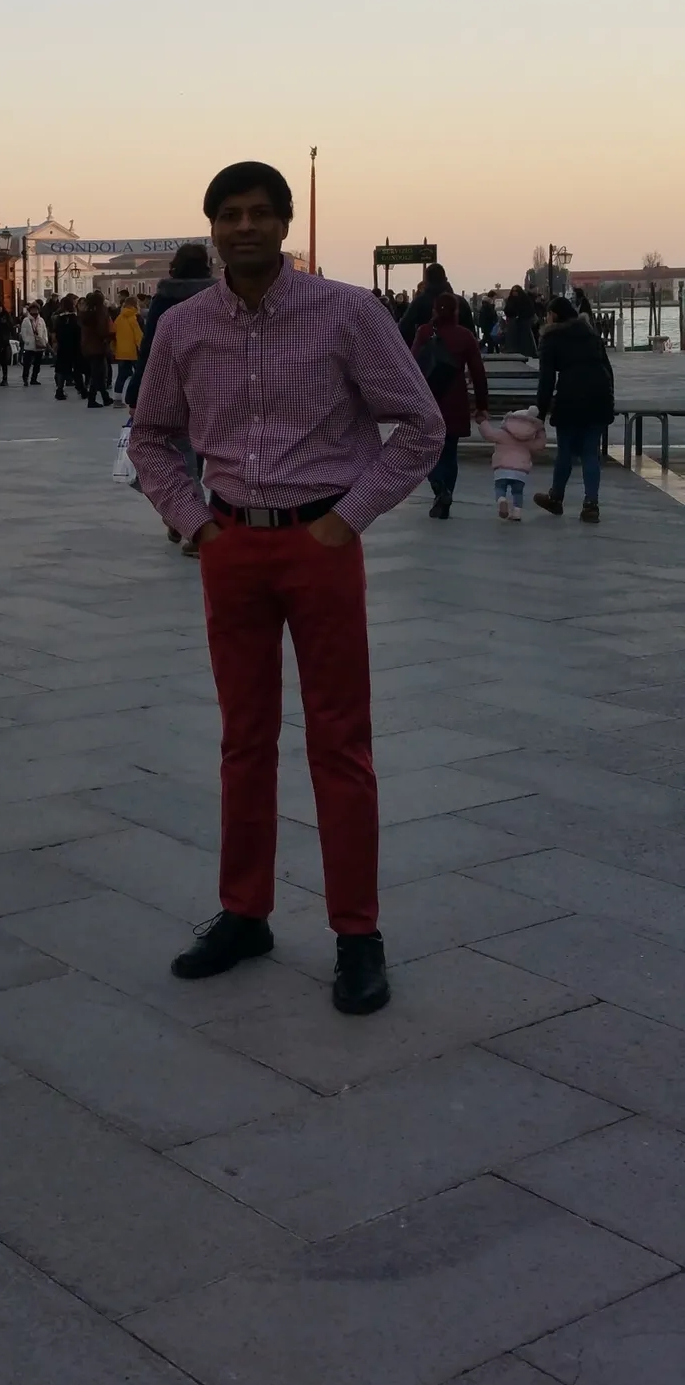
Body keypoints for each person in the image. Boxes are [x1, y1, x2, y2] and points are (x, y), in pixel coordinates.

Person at [128, 158, 444, 1016]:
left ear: (285, 223)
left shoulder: (347, 312)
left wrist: (349, 518)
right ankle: (244, 913)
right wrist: (194, 523)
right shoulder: (185, 327)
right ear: (211, 227)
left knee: (340, 741)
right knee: (244, 738)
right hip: (231, 543)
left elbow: (422, 426)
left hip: (320, 542)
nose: (245, 226)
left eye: (260, 212)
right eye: (230, 213)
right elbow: (149, 435)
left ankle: (357, 933)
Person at [533, 296, 615, 522]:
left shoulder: (551, 338)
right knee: (590, 452)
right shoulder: (590, 333)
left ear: (554, 315)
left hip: (570, 397)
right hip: (599, 395)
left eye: (548, 314)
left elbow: (546, 379)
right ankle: (591, 504)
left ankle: (556, 497)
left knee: (565, 450)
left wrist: (540, 412)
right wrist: (609, 398)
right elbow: (607, 369)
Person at [410, 289, 490, 518]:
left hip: (429, 401)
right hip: (455, 400)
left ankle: (439, 487)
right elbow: (478, 373)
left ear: (434, 310)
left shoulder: (425, 332)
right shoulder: (465, 336)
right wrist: (482, 405)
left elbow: (412, 365)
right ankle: (446, 499)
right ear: (456, 311)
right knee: (450, 452)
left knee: (428, 451)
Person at [125, 244, 216, 410]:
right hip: (213, 381)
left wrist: (135, 394)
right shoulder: (219, 298)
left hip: (169, 382)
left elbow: (150, 347)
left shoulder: (164, 299)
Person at [477, 406, 548, 521]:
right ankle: (517, 512)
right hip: (520, 470)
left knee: (500, 488)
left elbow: (489, 434)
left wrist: (483, 422)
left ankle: (501, 500)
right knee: (518, 492)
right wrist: (540, 431)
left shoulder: (502, 434)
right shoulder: (528, 439)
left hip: (502, 468)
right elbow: (540, 445)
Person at [397, 264, 475, 343]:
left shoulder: (419, 302)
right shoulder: (461, 302)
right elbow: (472, 333)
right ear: (445, 279)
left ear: (426, 281)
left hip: (427, 347)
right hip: (458, 347)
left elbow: (403, 329)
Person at [79, 290, 115, 407]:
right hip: (98, 346)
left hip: (87, 346)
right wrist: (110, 336)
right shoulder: (100, 312)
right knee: (98, 373)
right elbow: (102, 330)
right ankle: (92, 399)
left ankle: (105, 397)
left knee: (98, 373)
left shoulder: (85, 313)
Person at [111, 293, 143, 396]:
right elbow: (138, 334)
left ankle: (118, 396)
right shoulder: (136, 318)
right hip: (134, 351)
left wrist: (114, 347)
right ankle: (136, 395)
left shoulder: (119, 318)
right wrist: (142, 347)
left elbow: (113, 333)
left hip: (121, 351)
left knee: (122, 375)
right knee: (139, 374)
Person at [51, 294, 83, 401]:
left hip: (62, 346)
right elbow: (79, 333)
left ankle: (59, 390)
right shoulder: (75, 318)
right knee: (77, 368)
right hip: (75, 346)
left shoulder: (58, 319)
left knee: (61, 369)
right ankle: (81, 389)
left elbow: (55, 333)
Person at [499, 285, 538, 358]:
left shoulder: (525, 301)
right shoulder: (510, 300)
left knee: (525, 341)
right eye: (513, 291)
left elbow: (530, 312)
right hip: (512, 325)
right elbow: (506, 312)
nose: (514, 293)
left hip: (523, 324)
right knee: (512, 342)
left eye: (516, 291)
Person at [19, 301, 48, 385]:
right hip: (30, 345)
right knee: (27, 363)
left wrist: (45, 340)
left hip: (39, 344)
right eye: (33, 309)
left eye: (36, 309)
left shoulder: (41, 320)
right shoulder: (26, 320)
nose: (34, 311)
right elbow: (23, 332)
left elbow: (44, 330)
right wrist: (26, 340)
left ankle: (34, 378)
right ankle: (25, 378)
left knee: (37, 364)